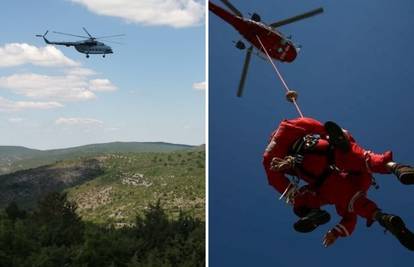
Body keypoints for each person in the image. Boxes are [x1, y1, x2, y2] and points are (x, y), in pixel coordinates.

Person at [263, 116, 414, 250]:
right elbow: (309, 123)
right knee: (359, 159)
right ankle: (394, 167)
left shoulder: (270, 155)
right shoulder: (286, 127)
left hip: (323, 180)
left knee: (345, 200)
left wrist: (293, 194)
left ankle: (379, 217)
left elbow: (275, 180)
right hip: (327, 155)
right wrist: (333, 134)